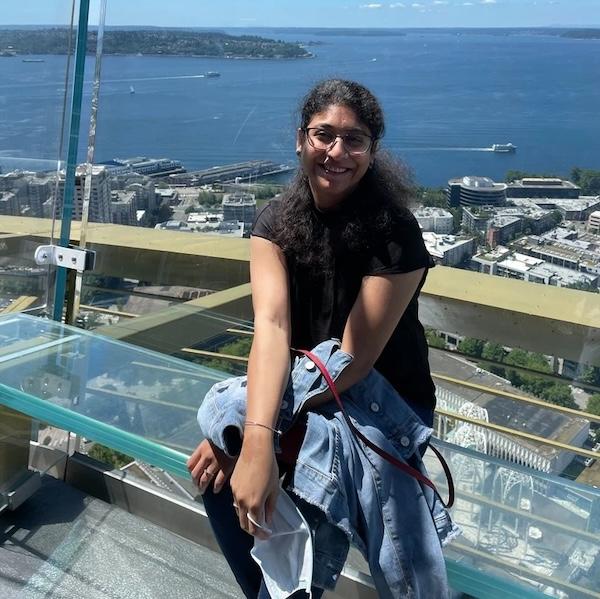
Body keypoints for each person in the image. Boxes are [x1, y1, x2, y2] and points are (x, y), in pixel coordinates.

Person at [187, 79, 441, 598]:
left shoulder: (393, 231)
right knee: (219, 469)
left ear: (372, 152)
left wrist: (255, 432)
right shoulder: (275, 223)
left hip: (380, 399)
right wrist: (248, 436)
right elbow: (273, 329)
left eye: (355, 140)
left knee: (253, 448)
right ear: (300, 140)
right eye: (324, 135)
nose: (337, 152)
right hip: (301, 389)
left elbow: (352, 359)